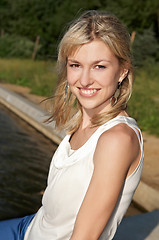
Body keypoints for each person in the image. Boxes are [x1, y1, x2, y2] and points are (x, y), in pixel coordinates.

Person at [0, 10, 144, 240]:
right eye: (76, 65)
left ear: (122, 71)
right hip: (30, 227)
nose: (84, 80)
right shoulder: (84, 119)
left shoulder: (117, 139)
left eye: (100, 66)